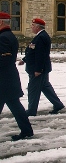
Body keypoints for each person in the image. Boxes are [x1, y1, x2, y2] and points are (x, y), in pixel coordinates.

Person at [18, 18, 64, 116]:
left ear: (38, 27)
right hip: (39, 68)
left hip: (38, 69)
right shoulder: (39, 36)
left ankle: (31, 110)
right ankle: (58, 104)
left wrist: (38, 69)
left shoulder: (41, 37)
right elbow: (32, 51)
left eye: (33, 25)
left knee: (33, 90)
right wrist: (24, 60)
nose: (31, 27)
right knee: (45, 87)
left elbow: (40, 55)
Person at [0, 12, 34, 141]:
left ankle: (27, 131)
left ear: (1, 22)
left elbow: (5, 59)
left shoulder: (3, 37)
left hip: (4, 80)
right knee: (15, 105)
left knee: (15, 106)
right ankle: (27, 130)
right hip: (7, 79)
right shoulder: (8, 35)